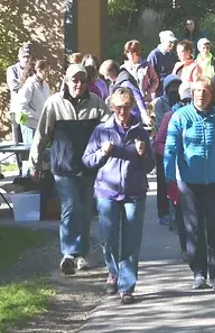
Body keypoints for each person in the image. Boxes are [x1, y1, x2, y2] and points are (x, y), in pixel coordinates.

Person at [29, 64, 110, 275]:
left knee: (84, 211)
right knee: (69, 207)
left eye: (82, 80)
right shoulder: (54, 104)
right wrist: (35, 164)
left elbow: (111, 130)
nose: (79, 84)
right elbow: (41, 136)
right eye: (74, 80)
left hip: (89, 167)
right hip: (63, 167)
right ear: (66, 80)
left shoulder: (97, 103)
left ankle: (81, 254)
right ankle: (68, 253)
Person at [82, 87, 154, 303]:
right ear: (112, 107)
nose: (122, 112)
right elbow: (87, 160)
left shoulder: (140, 131)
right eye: (118, 107)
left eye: (126, 107)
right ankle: (113, 272)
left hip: (134, 192)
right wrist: (103, 152)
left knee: (131, 241)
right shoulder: (101, 131)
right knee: (108, 238)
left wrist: (142, 155)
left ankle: (127, 287)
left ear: (132, 106)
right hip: (107, 191)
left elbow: (151, 164)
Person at [164, 76, 215, 292]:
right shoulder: (180, 117)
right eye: (197, 91)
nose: (201, 95)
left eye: (206, 91)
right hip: (188, 181)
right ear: (191, 93)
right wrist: (170, 181)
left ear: (212, 94)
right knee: (193, 228)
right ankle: (198, 272)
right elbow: (170, 150)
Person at [154, 82, 193, 253]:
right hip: (178, 171)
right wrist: (173, 154)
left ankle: (199, 249)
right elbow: (159, 142)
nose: (187, 104)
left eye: (189, 100)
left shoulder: (209, 115)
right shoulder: (170, 116)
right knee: (180, 210)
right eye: (185, 100)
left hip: (202, 171)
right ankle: (186, 249)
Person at [99, 60, 150, 126]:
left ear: (113, 71)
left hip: (131, 116)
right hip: (123, 116)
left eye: (107, 75)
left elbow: (137, 96)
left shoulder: (125, 82)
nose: (106, 78)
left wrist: (144, 114)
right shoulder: (117, 81)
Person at [18, 59, 52, 146]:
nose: (48, 74)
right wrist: (37, 115)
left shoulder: (45, 85)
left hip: (40, 125)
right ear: (38, 70)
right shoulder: (29, 84)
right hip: (29, 124)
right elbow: (22, 106)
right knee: (31, 152)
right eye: (46, 71)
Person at [6, 42, 31, 144]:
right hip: (16, 109)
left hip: (29, 111)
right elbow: (14, 87)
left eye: (28, 57)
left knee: (29, 140)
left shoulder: (33, 70)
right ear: (19, 56)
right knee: (17, 140)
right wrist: (28, 84)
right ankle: (18, 160)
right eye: (24, 56)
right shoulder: (12, 69)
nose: (26, 59)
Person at [147, 31, 179, 98]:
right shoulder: (154, 55)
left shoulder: (172, 54)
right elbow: (149, 76)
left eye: (173, 42)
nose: (172, 45)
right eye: (170, 42)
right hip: (158, 92)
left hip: (171, 89)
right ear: (162, 41)